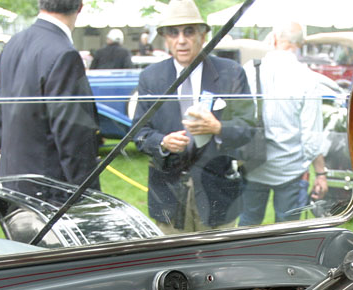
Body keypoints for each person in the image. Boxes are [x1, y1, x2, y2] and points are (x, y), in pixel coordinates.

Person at [133, 0, 254, 233]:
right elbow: (139, 132)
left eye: (189, 31)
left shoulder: (231, 73)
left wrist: (218, 128)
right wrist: (162, 142)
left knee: (218, 264)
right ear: (165, 38)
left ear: (203, 34)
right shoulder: (151, 77)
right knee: (172, 265)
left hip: (217, 195)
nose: (181, 40)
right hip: (168, 195)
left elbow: (249, 128)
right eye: (173, 32)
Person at [0, 0, 101, 188]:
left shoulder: (13, 43)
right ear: (80, 6)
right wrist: (89, 199)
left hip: (13, 181)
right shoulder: (64, 54)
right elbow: (74, 138)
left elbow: (0, 118)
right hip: (49, 193)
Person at [238, 21, 327, 226]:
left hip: (253, 164)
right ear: (301, 43)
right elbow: (312, 135)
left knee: (247, 227)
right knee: (286, 233)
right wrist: (320, 174)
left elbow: (237, 116)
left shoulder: (250, 69)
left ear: (274, 38)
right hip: (291, 169)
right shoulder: (307, 78)